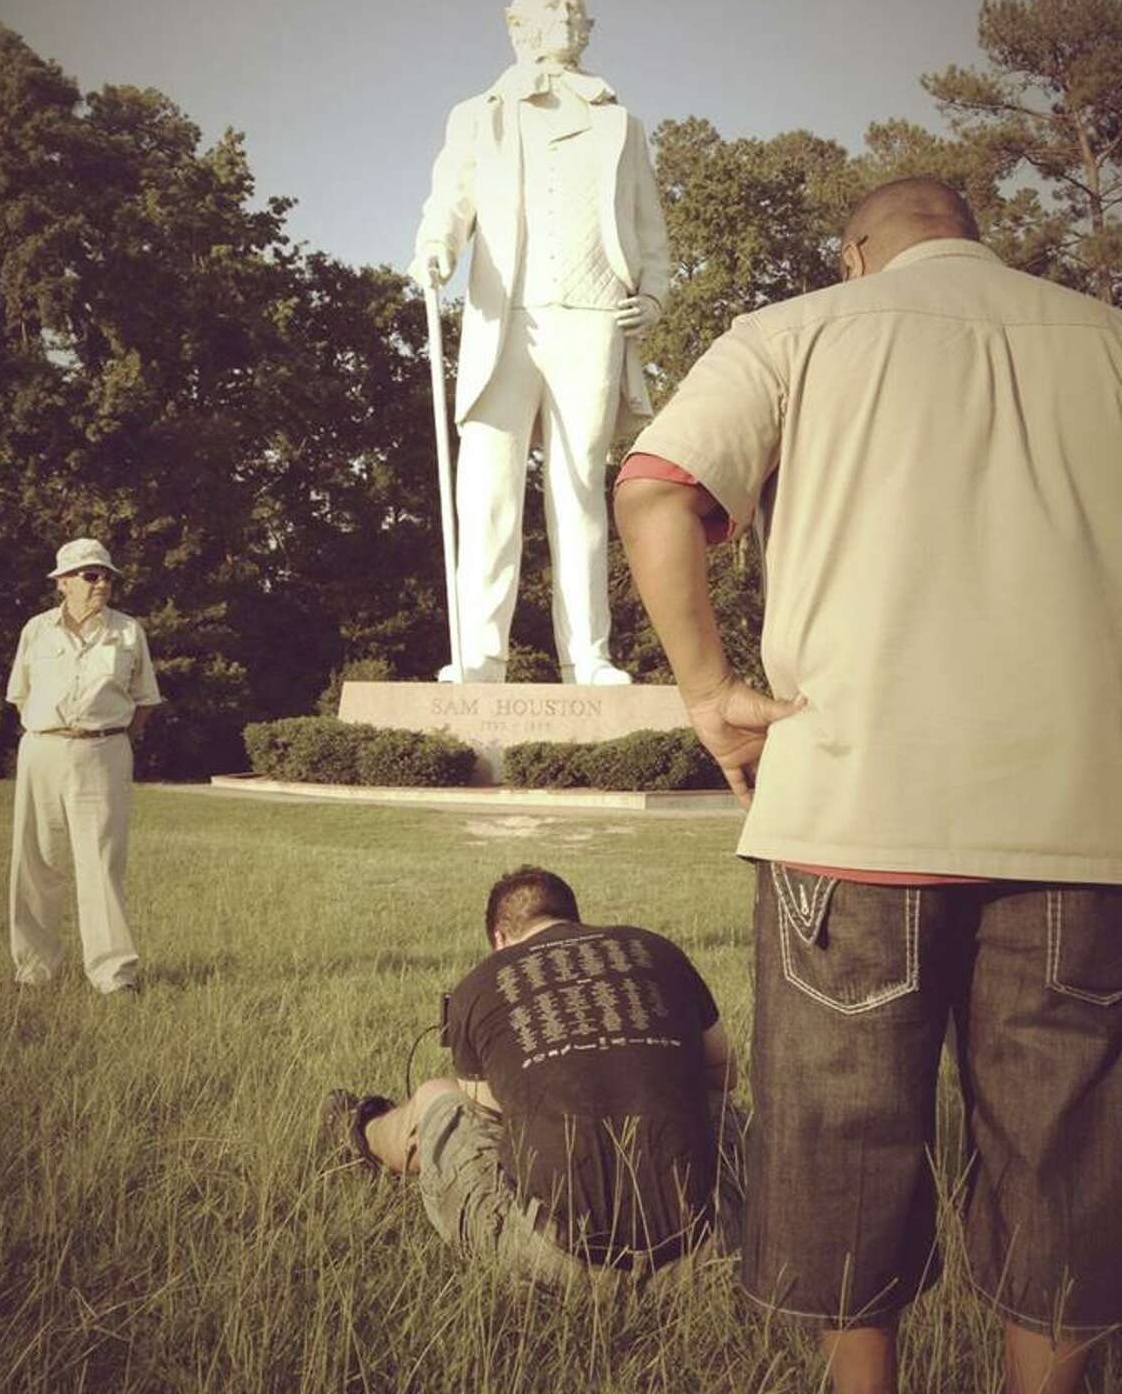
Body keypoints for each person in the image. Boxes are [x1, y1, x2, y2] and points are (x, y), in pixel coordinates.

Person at [614, 178, 1122, 1394]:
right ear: (976, 238)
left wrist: (707, 691)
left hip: (854, 810)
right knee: (1069, 1156)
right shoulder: (1104, 337)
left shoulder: (794, 332)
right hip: (1081, 820)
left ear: (857, 253)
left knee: (843, 1141)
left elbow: (655, 487)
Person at [409, 0, 670, 685]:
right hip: (506, 318)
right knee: (487, 486)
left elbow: (650, 231)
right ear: (516, 25)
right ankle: (480, 654)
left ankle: (588, 654)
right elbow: (449, 199)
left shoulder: (622, 121)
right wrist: (434, 248)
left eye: (576, 9)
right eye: (553, 7)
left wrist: (653, 295)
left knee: (579, 486)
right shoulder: (478, 115)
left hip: (592, 318)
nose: (569, 17)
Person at [326, 866, 740, 1288]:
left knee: (439, 1096)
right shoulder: (658, 950)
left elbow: (487, 1114)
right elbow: (726, 1075)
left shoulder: (482, 980)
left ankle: (361, 1129)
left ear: (499, 939)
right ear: (575, 919)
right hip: (710, 1245)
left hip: (554, 1259)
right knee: (714, 1103)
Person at [6, 536, 162, 994]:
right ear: (63, 583)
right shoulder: (36, 630)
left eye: (107, 576)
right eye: (91, 575)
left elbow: (144, 701)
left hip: (104, 753)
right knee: (35, 861)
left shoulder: (129, 631)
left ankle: (113, 976)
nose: (102, 584)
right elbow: (21, 695)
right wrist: (52, 734)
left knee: (101, 863)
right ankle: (34, 971)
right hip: (42, 751)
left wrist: (106, 739)